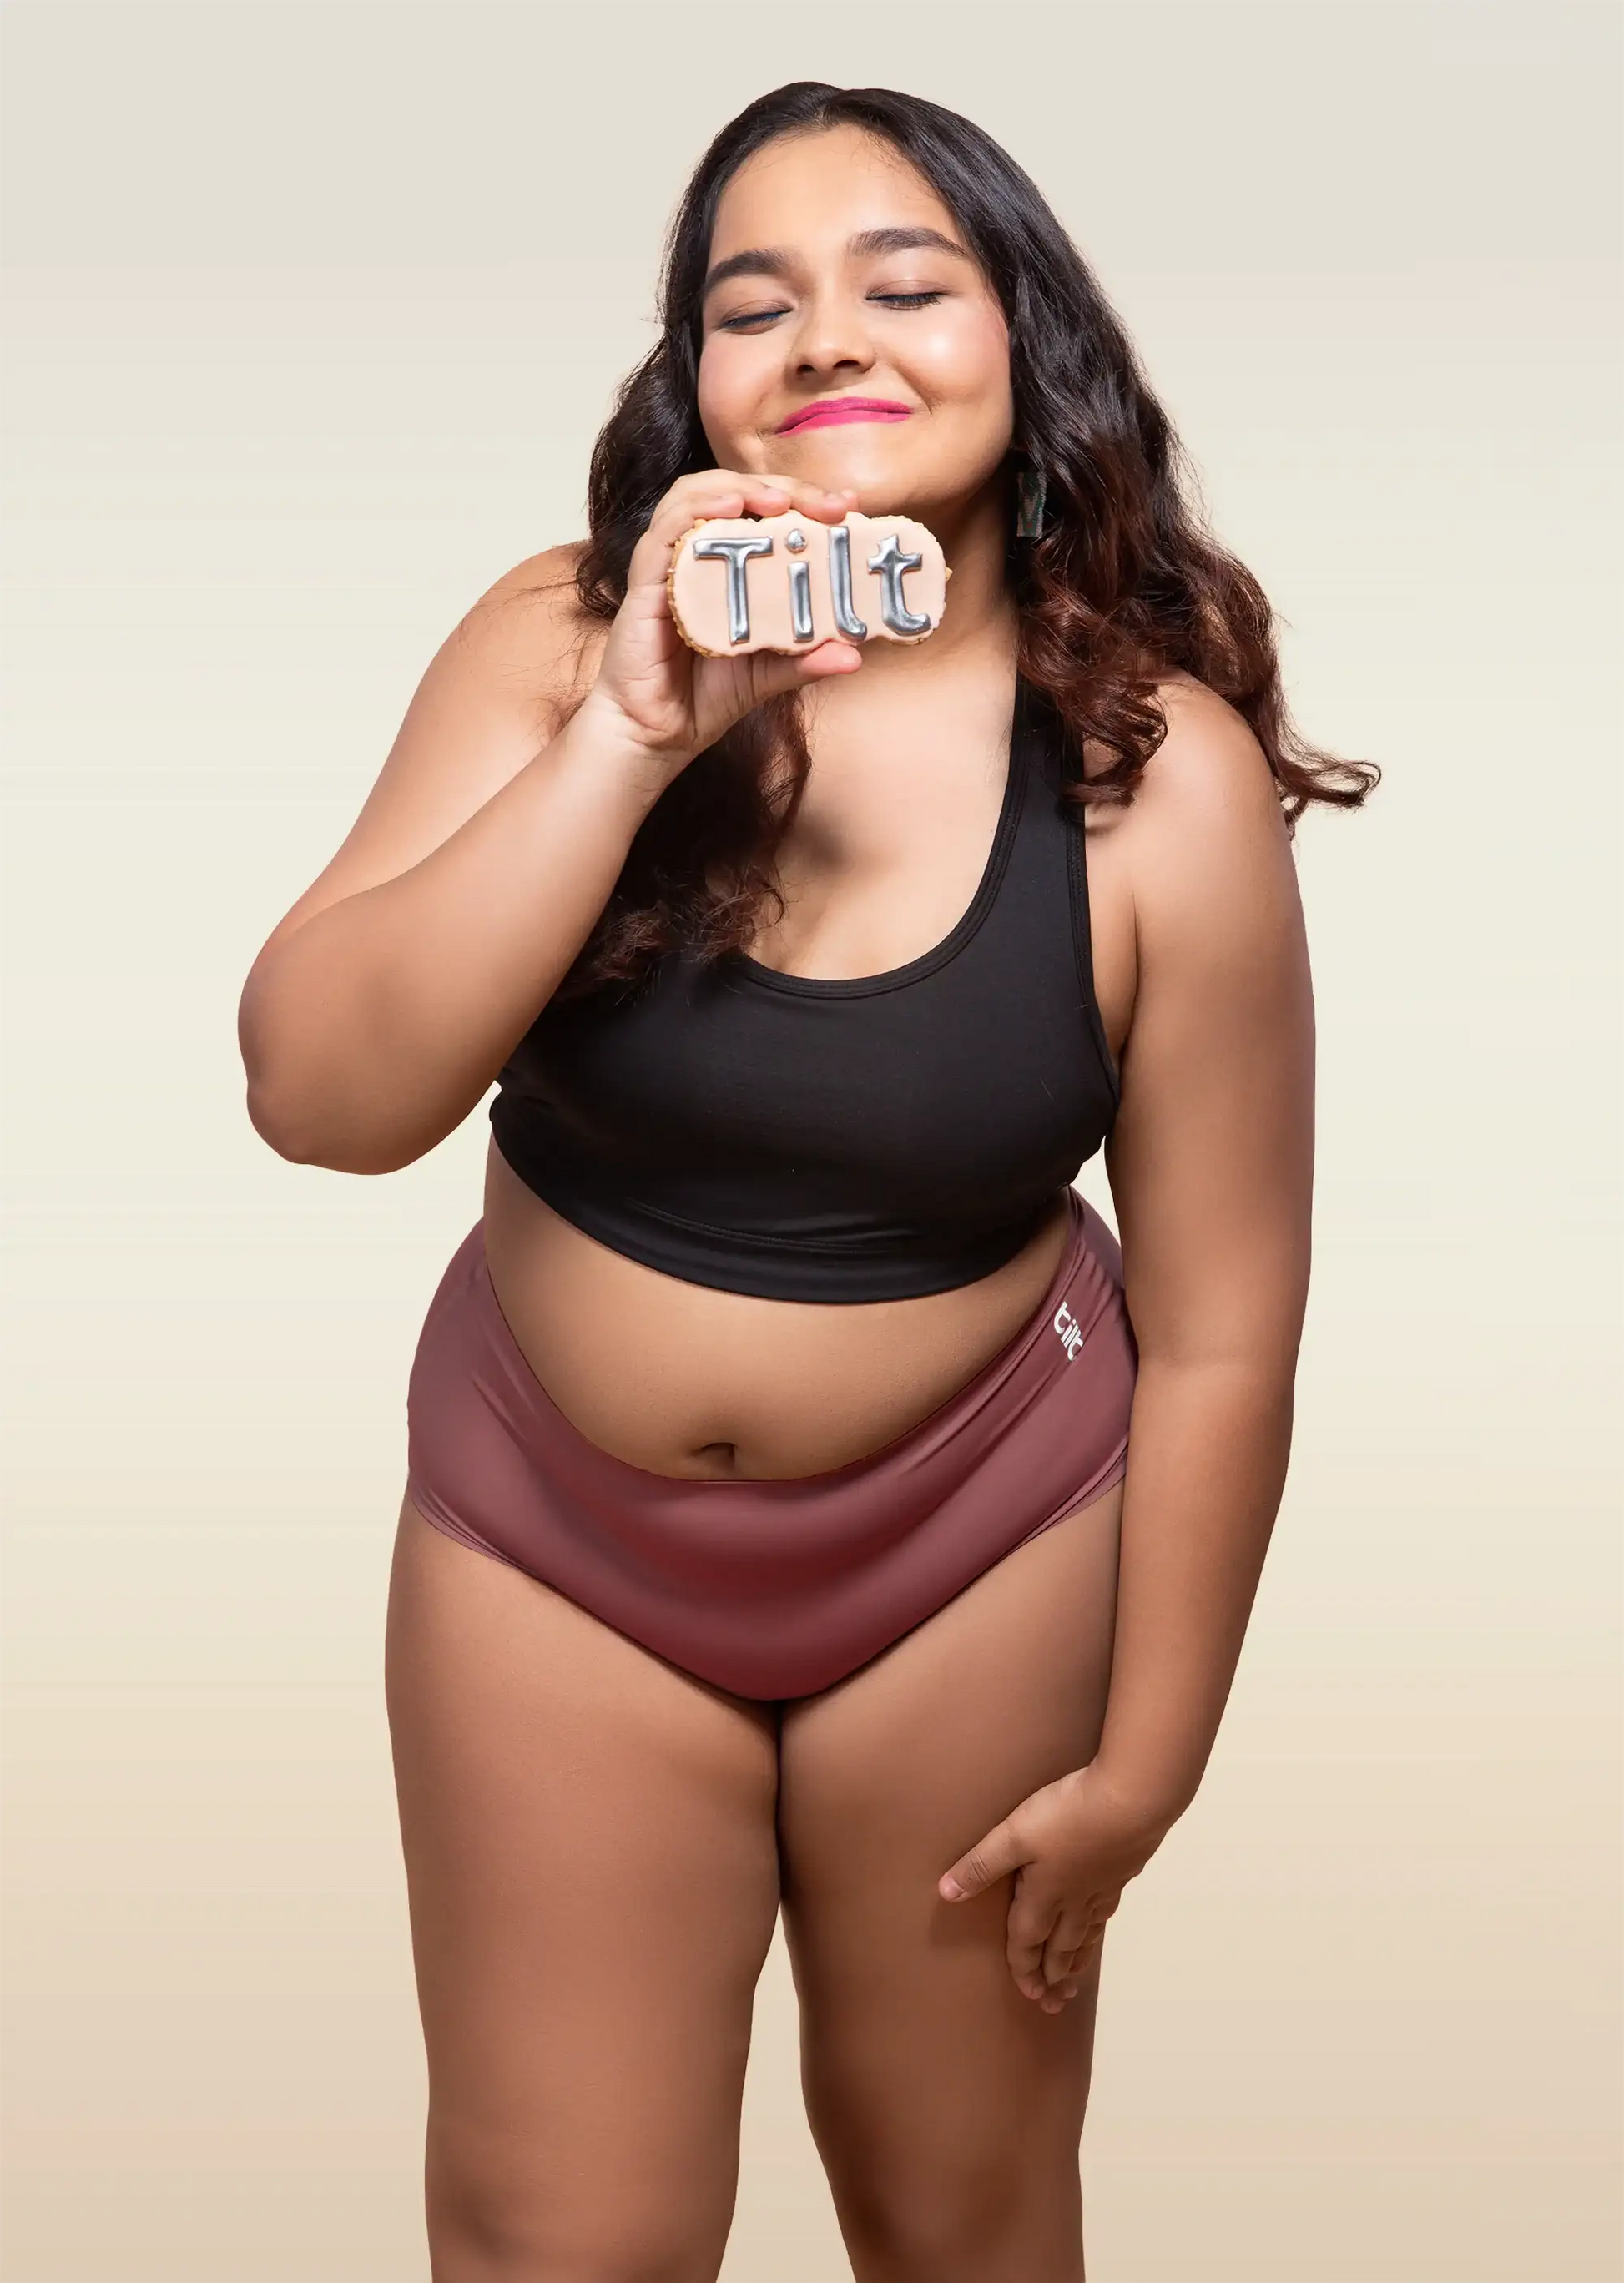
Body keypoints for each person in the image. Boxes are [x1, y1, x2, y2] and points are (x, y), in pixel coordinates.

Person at [238, 79, 1373, 2283]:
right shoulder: (560, 643)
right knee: (560, 2232)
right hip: (547, 1538)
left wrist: (1148, 1766)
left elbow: (1228, 1324)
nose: (829, 332)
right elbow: (321, 1096)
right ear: (701, 391)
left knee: (961, 2219)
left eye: (906, 283)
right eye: (754, 304)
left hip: (981, 1547)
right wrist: (627, 742)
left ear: (1023, 340)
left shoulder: (1160, 781)